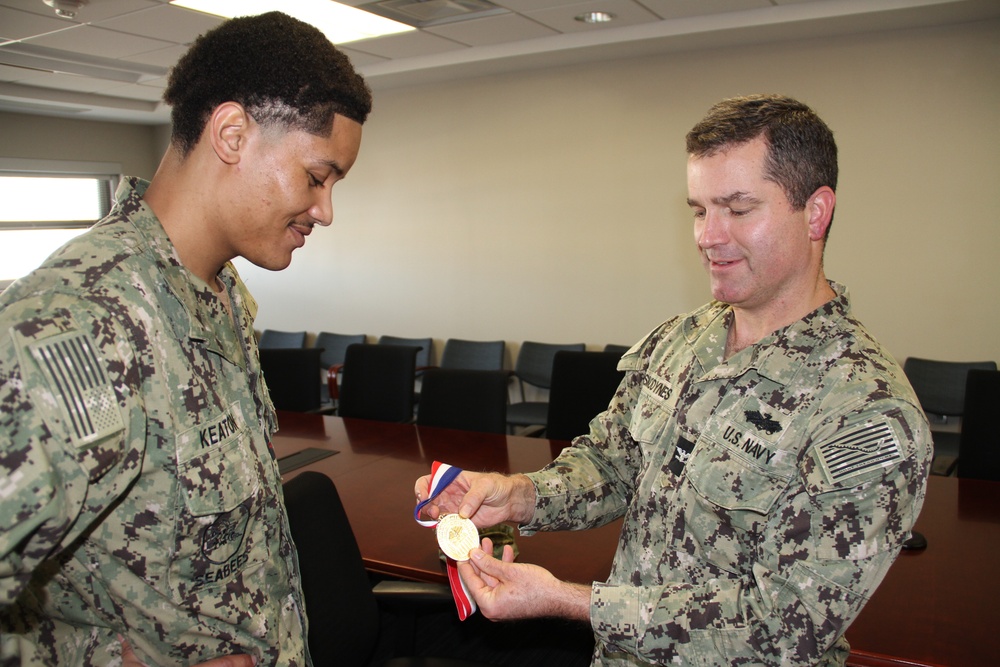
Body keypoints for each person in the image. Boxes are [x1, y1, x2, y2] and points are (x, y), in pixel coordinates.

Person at [416, 94, 932, 666]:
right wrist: (518, 496)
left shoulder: (866, 411)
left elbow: (786, 624)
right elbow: (612, 463)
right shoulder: (684, 340)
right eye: (699, 209)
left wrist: (570, 602)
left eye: (737, 210)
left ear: (815, 212)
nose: (708, 236)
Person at [0, 11, 371, 666]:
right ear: (231, 134)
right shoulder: (76, 329)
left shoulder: (222, 296)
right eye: (316, 177)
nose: (326, 211)